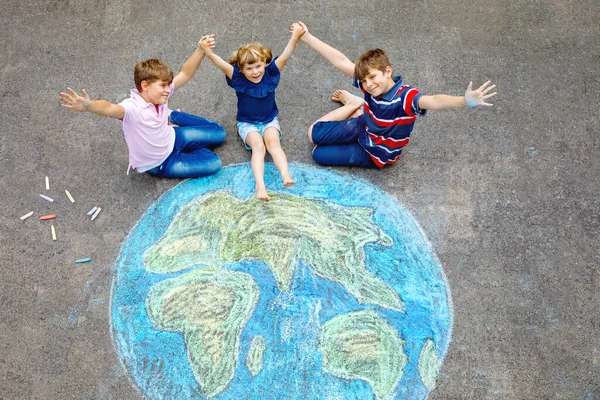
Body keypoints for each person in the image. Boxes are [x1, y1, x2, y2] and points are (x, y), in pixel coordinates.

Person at [295, 22, 497, 168]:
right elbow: (340, 61)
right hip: (365, 125)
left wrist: (464, 101)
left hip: (376, 153)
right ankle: (353, 105)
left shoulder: (405, 97)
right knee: (313, 133)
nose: (368, 84)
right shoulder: (369, 85)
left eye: (373, 77)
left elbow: (434, 100)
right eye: (364, 80)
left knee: (318, 153)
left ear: (388, 71)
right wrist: (308, 38)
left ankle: (355, 107)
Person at [59, 37, 226, 178]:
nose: (168, 90)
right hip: (162, 163)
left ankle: (172, 116)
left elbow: (186, 73)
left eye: (169, 85)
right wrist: (89, 105)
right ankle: (174, 123)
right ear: (145, 85)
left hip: (172, 137)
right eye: (163, 85)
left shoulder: (160, 95)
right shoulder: (133, 108)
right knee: (214, 162)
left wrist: (200, 50)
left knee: (220, 133)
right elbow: (109, 108)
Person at [199, 24, 304, 201]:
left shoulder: (270, 73)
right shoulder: (238, 78)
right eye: (249, 68)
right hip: (247, 123)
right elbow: (223, 65)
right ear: (241, 70)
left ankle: (285, 175)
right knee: (259, 147)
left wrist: (294, 37)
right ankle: (260, 186)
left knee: (273, 143)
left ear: (264, 63)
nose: (255, 72)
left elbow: (286, 55)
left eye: (258, 66)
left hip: (269, 120)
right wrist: (207, 52)